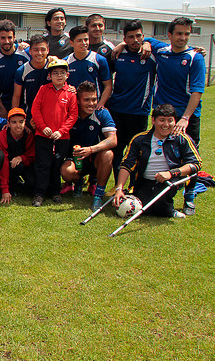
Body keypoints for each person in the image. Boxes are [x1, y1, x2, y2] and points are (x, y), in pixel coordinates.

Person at [143, 17, 205, 215]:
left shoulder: (196, 58)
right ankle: (152, 188)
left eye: (187, 34)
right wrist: (145, 43)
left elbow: (197, 92)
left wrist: (185, 118)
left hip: (187, 115)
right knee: (157, 151)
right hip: (162, 113)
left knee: (190, 156)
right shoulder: (161, 51)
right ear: (170, 35)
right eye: (179, 33)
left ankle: (189, 196)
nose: (183, 37)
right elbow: (149, 41)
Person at [113, 104, 201, 218]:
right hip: (145, 181)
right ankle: (163, 208)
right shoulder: (139, 139)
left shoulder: (182, 139)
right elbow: (126, 165)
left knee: (161, 203)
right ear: (153, 120)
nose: (166, 124)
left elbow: (196, 163)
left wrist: (170, 173)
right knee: (145, 209)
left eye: (170, 120)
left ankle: (169, 210)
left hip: (170, 180)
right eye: (162, 120)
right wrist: (119, 188)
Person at [107, 19, 156, 180]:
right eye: (131, 37)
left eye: (139, 36)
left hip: (138, 112)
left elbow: (174, 49)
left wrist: (148, 43)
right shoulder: (117, 54)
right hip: (116, 110)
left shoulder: (152, 56)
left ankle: (134, 185)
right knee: (117, 149)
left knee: (137, 150)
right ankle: (117, 183)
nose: (135, 40)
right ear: (124, 38)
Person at [60, 81, 116, 210]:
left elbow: (113, 140)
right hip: (75, 159)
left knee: (108, 154)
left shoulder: (101, 113)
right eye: (86, 100)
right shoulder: (70, 112)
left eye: (94, 99)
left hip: (95, 158)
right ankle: (78, 181)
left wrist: (91, 149)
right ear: (78, 101)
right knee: (66, 171)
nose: (91, 104)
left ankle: (98, 194)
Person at [31, 59, 78, 206]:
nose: (59, 76)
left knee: (57, 165)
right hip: (42, 135)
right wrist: (42, 126)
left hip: (62, 137)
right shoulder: (43, 89)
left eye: (62, 73)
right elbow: (35, 109)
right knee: (42, 164)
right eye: (55, 73)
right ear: (49, 76)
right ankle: (39, 193)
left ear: (67, 75)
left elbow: (73, 115)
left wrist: (62, 131)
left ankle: (55, 192)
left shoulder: (70, 93)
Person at [0, 19, 30, 116]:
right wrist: (1, 109)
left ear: (14, 37)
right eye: (3, 38)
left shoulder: (26, 52)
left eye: (9, 37)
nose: (7, 41)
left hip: (26, 105)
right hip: (4, 105)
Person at [64, 26, 112, 110]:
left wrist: (101, 103)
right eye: (79, 40)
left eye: (86, 40)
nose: (84, 43)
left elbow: (108, 85)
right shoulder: (66, 62)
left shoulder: (99, 60)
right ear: (71, 43)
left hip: (92, 107)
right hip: (72, 108)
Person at [0, 108, 35, 204]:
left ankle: (20, 186)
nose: (18, 126)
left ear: (25, 122)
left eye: (21, 122)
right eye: (14, 122)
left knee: (33, 184)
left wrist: (21, 158)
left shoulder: (28, 134)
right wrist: (5, 189)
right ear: (8, 123)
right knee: (15, 165)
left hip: (25, 164)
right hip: (9, 166)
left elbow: (32, 156)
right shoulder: (2, 136)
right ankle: (9, 187)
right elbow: (3, 162)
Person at [11, 34, 50, 127]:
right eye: (36, 50)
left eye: (43, 49)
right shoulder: (22, 70)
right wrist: (15, 117)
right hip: (29, 118)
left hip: (50, 117)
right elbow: (16, 96)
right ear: (30, 51)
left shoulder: (53, 67)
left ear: (48, 50)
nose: (39, 53)